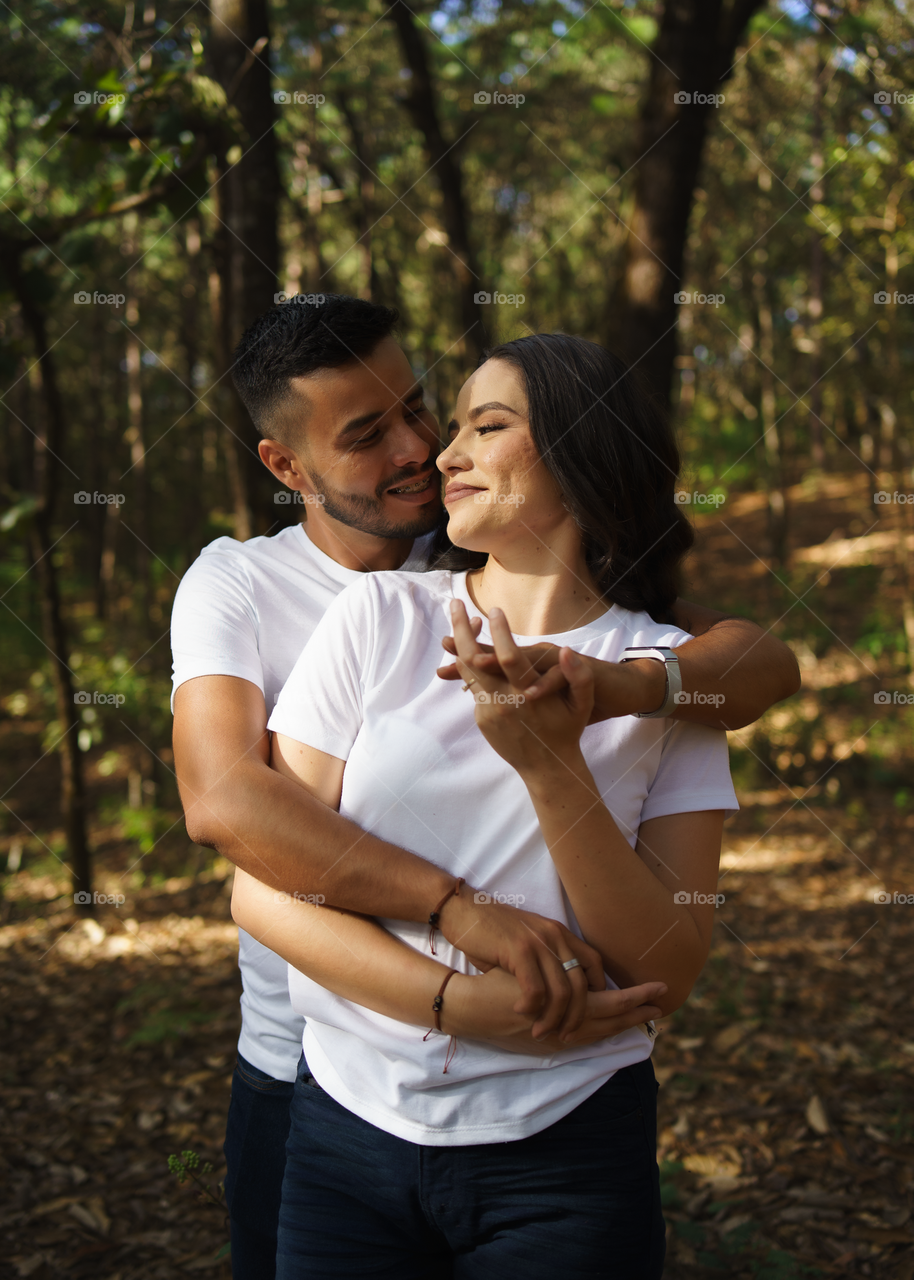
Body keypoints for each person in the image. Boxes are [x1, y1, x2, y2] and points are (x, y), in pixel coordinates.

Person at [171, 297, 800, 1278]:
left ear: (583, 453)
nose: (430, 448)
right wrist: (456, 960)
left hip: (562, 1135)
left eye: (455, 416)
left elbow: (665, 969)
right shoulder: (339, 606)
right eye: (370, 433)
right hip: (326, 1087)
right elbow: (232, 827)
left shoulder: (660, 668)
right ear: (288, 468)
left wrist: (583, 729)